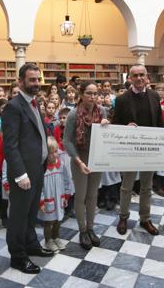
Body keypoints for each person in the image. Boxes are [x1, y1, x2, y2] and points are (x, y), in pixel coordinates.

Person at [2, 63, 53, 274]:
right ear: (20, 81)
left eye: (38, 79)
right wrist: (20, 174)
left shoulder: (34, 102)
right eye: (32, 80)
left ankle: (31, 245)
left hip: (37, 168)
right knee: (19, 217)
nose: (36, 83)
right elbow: (10, 145)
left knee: (32, 213)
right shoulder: (14, 106)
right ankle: (18, 257)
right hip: (23, 173)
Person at [113, 64, 164, 236]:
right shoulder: (122, 99)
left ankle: (145, 218)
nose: (139, 78)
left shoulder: (154, 96)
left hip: (149, 149)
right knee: (126, 186)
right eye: (135, 75)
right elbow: (115, 124)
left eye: (142, 75)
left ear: (147, 76)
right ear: (129, 78)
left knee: (146, 187)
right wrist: (125, 126)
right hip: (130, 149)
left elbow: (159, 121)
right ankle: (123, 217)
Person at [62, 81, 110, 249]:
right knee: (81, 195)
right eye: (89, 93)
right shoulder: (74, 114)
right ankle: (82, 230)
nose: (92, 96)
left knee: (93, 195)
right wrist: (78, 160)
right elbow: (66, 140)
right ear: (81, 94)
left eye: (95, 93)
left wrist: (106, 126)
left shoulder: (102, 111)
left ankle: (91, 228)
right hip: (79, 158)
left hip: (96, 157)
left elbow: (108, 135)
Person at [39, 136, 71, 252]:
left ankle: (56, 237)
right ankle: (48, 240)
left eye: (56, 152)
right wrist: (41, 201)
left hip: (59, 198)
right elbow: (39, 187)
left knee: (58, 220)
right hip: (48, 200)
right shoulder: (42, 168)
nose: (54, 155)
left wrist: (66, 195)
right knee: (48, 222)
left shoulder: (61, 164)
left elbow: (67, 180)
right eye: (51, 153)